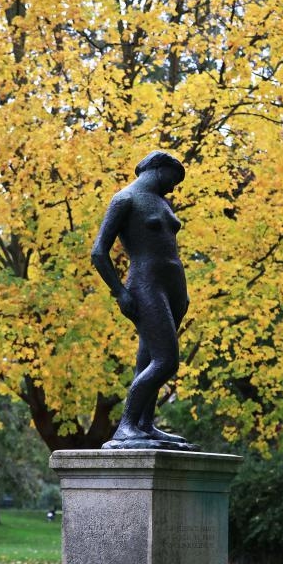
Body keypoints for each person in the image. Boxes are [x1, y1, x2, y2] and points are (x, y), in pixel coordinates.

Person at [91, 150, 197, 451]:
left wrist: (183, 294)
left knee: (149, 360)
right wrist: (120, 292)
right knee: (166, 361)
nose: (173, 187)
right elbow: (99, 252)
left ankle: (145, 425)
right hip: (145, 284)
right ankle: (126, 427)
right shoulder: (125, 199)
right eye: (173, 179)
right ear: (159, 168)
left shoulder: (163, 202)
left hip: (173, 287)